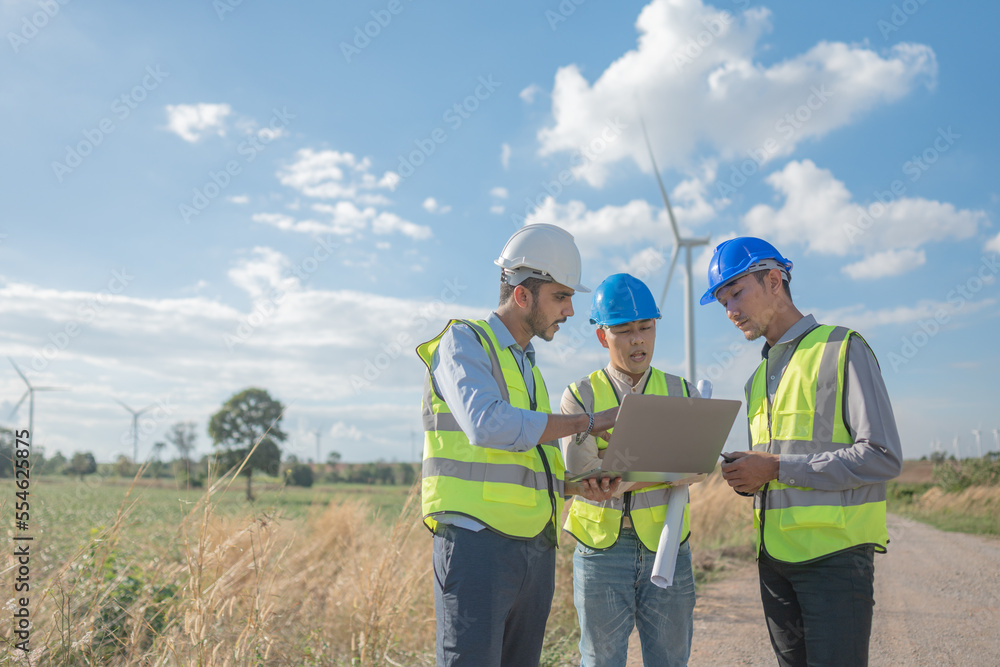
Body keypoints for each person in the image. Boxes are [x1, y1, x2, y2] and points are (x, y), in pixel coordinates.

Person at [416, 223, 623, 667]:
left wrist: (574, 486)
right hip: (477, 545)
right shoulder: (464, 342)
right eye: (561, 297)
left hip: (532, 547)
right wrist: (587, 422)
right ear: (523, 295)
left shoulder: (527, 365)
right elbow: (487, 426)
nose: (570, 311)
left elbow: (525, 457)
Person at [701, 237, 902, 667]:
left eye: (736, 292)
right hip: (774, 562)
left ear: (774, 280)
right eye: (722, 301)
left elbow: (882, 455)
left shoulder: (842, 348)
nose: (730, 310)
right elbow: (777, 469)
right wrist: (748, 476)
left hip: (834, 560)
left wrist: (774, 467)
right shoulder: (756, 379)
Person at [560, 273, 698, 667]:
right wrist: (664, 466)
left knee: (670, 659)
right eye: (624, 330)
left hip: (668, 545)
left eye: (646, 327)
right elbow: (584, 475)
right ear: (603, 336)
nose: (638, 339)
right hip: (601, 549)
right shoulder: (580, 395)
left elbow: (696, 466)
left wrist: (613, 460)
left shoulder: (682, 392)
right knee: (600, 660)